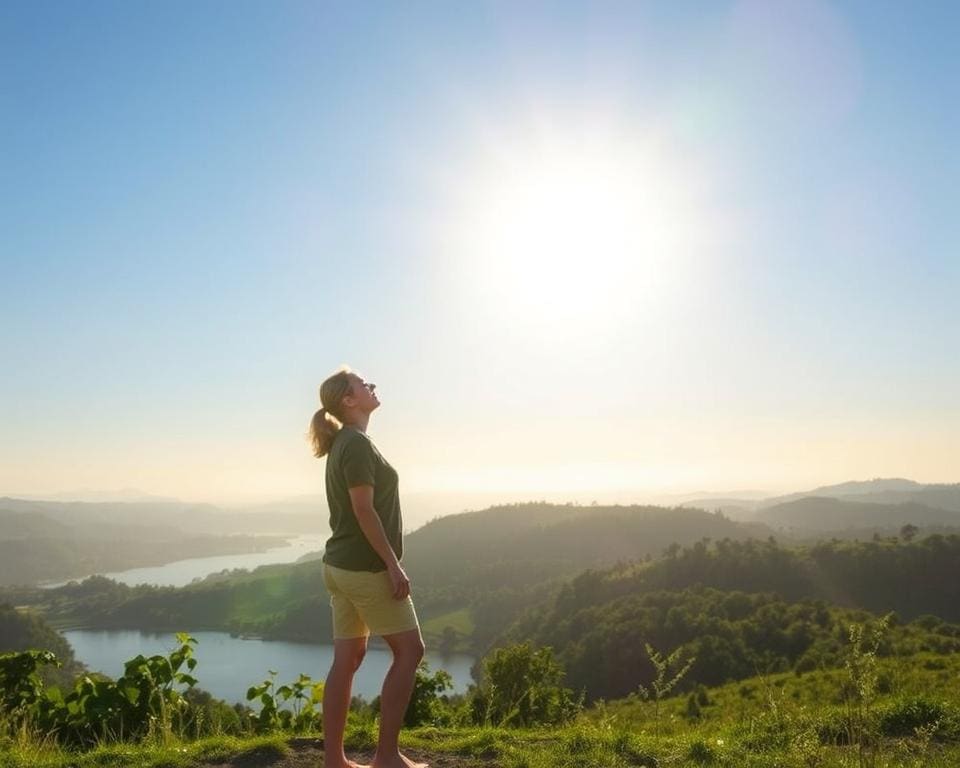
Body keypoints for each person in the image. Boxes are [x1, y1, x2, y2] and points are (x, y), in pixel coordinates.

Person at [309, 367, 427, 768]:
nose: (372, 386)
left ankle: (335, 761)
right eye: (364, 384)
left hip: (339, 567)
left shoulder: (344, 441)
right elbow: (363, 510)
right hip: (364, 569)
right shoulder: (356, 444)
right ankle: (388, 757)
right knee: (410, 651)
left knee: (348, 658)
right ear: (348, 400)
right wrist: (393, 566)